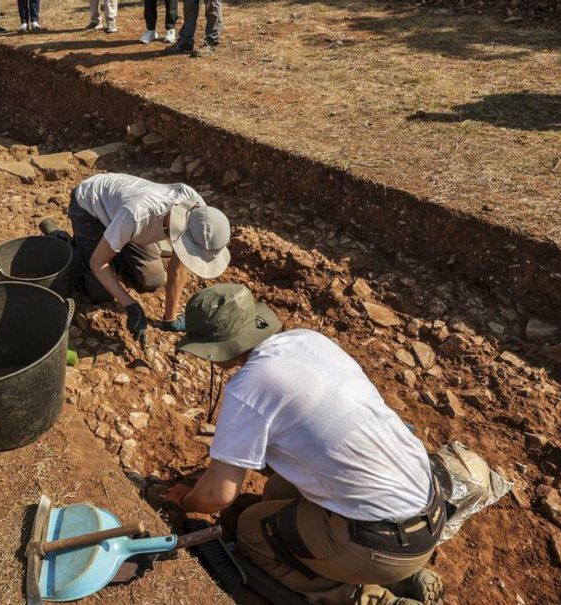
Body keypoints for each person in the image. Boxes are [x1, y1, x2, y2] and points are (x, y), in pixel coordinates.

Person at [164, 284, 447, 605]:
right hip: (430, 511)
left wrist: (184, 502)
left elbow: (217, 496)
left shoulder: (249, 386)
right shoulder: (307, 340)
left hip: (382, 545)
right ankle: (408, 577)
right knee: (276, 494)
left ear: (213, 348)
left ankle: (374, 598)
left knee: (253, 529)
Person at [67, 173, 231, 346]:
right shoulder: (137, 215)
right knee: (101, 293)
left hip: (124, 220)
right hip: (88, 209)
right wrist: (131, 305)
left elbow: (178, 269)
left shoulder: (200, 215)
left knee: (153, 279)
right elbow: (98, 263)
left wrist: (170, 318)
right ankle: (68, 244)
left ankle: (113, 244)